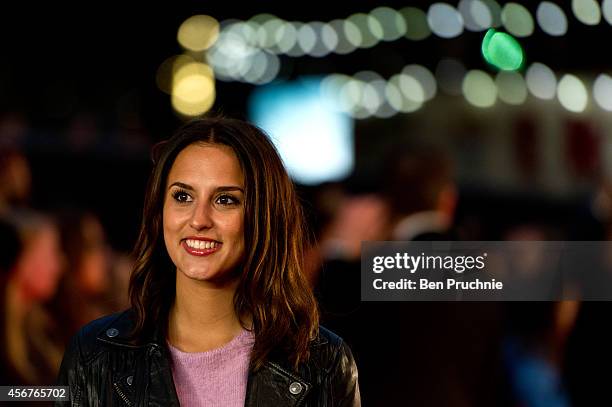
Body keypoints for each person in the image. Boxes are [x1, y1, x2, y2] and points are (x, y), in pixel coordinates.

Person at [56, 116, 360, 406]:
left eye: (225, 199)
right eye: (182, 197)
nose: (199, 220)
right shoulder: (94, 354)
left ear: (264, 217)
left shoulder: (324, 363)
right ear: (159, 211)